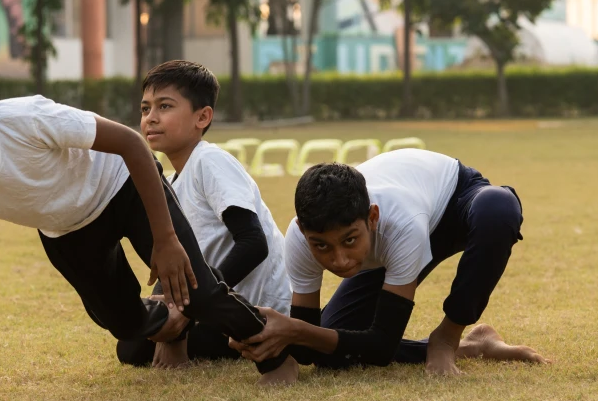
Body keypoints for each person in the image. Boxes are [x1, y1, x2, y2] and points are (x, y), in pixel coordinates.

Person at [0, 49, 294, 401]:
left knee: (197, 289)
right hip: (67, 231)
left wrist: (165, 240)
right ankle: (171, 325)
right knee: (124, 323)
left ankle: (278, 358)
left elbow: (132, 143)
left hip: (121, 187)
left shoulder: (26, 119)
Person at [231, 150, 547, 379]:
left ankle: (448, 339)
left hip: (453, 201)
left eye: (349, 240)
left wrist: (295, 330)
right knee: (333, 352)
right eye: (322, 246)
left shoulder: (400, 223)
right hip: (388, 239)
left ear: (371, 218)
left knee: (498, 209)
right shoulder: (299, 238)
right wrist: (268, 334)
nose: (339, 260)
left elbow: (381, 347)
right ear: (303, 231)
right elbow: (308, 351)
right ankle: (476, 344)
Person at [116, 61, 296, 379]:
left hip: (254, 307)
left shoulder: (209, 161)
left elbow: (254, 243)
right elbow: (173, 262)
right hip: (211, 304)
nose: (150, 118)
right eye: (145, 109)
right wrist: (167, 308)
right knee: (130, 344)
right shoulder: (170, 183)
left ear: (203, 117)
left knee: (140, 344)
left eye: (165, 106)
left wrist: (185, 312)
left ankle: (192, 333)